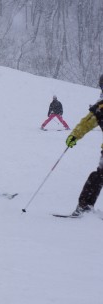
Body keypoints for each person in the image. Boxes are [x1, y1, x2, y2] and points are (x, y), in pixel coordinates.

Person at [64, 74, 103, 216]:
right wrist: (74, 136)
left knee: (99, 176)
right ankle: (84, 206)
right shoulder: (100, 107)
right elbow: (87, 123)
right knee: (99, 176)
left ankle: (84, 205)